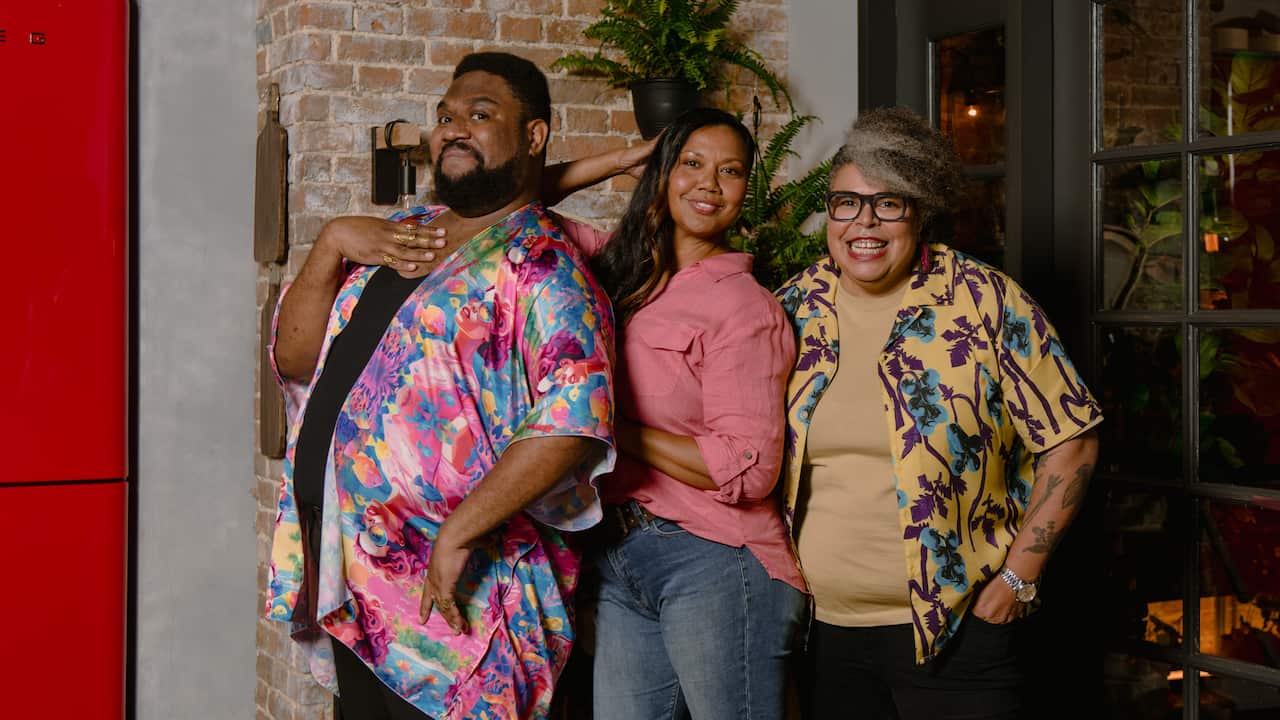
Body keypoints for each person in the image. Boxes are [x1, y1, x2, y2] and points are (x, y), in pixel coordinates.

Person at [265, 52, 615, 720]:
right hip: (360, 592)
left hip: (460, 610)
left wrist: (459, 532)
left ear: (534, 136)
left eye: (481, 115)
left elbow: (575, 420)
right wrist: (331, 243)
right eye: (446, 116)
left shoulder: (541, 268)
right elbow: (297, 358)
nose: (454, 128)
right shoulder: (395, 237)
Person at [775, 106, 1102, 720]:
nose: (863, 223)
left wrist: (1018, 578)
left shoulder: (986, 301)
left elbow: (1073, 439)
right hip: (820, 631)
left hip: (958, 630)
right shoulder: (794, 305)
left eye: (888, 204)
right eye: (846, 203)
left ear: (920, 211)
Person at [546, 108, 808, 720]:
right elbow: (517, 206)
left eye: (731, 171)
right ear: (663, 173)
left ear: (747, 190)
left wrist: (607, 425)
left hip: (715, 560)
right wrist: (621, 158)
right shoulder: (620, 269)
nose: (709, 184)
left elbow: (746, 470)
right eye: (691, 163)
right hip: (620, 555)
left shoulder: (745, 309)